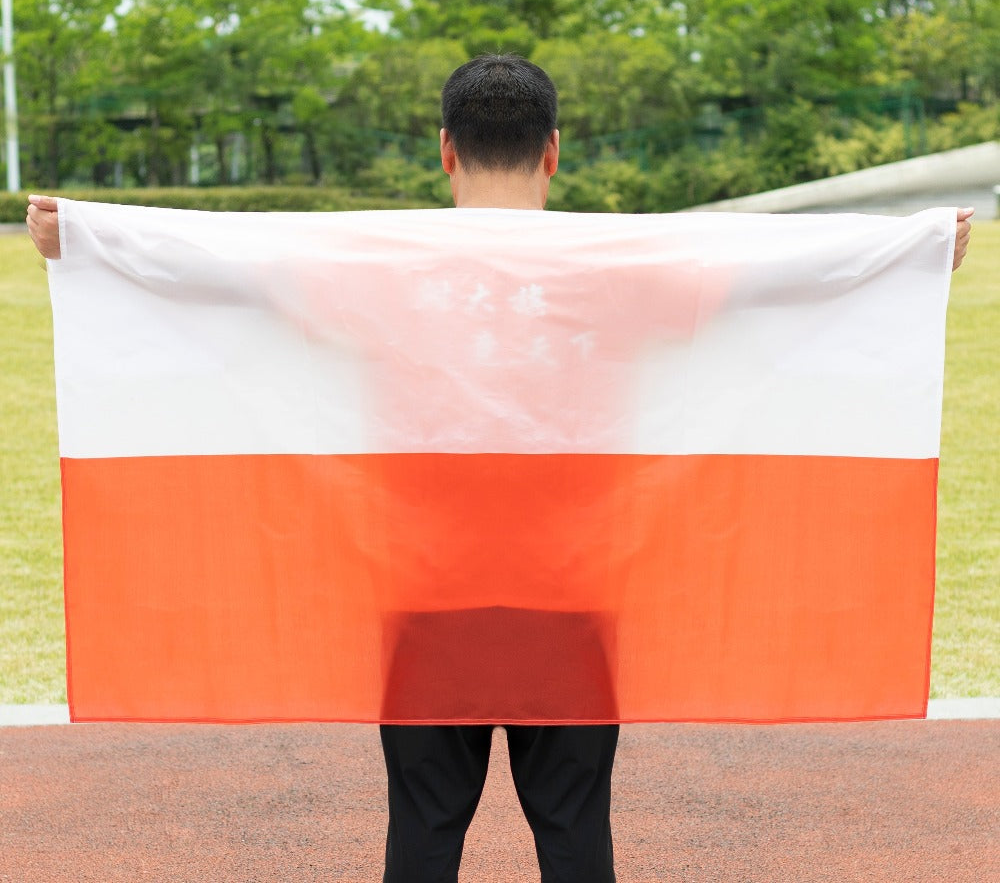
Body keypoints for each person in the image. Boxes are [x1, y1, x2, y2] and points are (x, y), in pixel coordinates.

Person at [26, 55, 974, 883]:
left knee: (424, 833)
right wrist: (916, 247)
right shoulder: (616, 267)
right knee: (574, 834)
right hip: (571, 598)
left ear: (444, 149)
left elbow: (232, 268)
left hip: (427, 599)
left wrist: (92, 237)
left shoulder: (381, 267)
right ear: (554, 149)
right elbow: (771, 279)